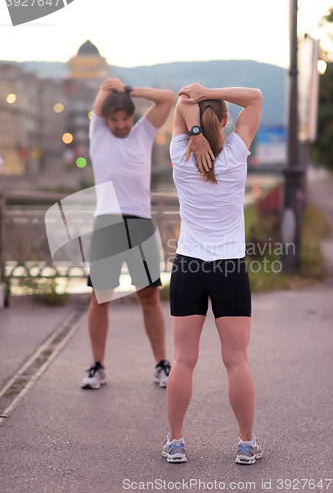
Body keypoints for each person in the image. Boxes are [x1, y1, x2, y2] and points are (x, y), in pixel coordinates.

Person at [161, 83, 263, 465]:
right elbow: (254, 97)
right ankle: (247, 443)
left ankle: (175, 442)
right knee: (236, 360)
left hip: (188, 264)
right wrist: (211, 91)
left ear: (197, 124)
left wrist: (194, 133)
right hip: (229, 266)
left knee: (183, 359)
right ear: (224, 121)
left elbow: (181, 100)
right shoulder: (237, 152)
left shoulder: (180, 153)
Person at [82, 78, 174, 390]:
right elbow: (100, 99)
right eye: (115, 120)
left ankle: (162, 364)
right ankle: (97, 366)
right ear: (106, 120)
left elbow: (166, 99)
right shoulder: (98, 133)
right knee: (100, 298)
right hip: (107, 223)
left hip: (140, 222)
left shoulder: (143, 133)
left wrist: (129, 90)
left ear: (132, 117)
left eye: (125, 119)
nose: (120, 125)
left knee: (149, 297)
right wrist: (109, 89)